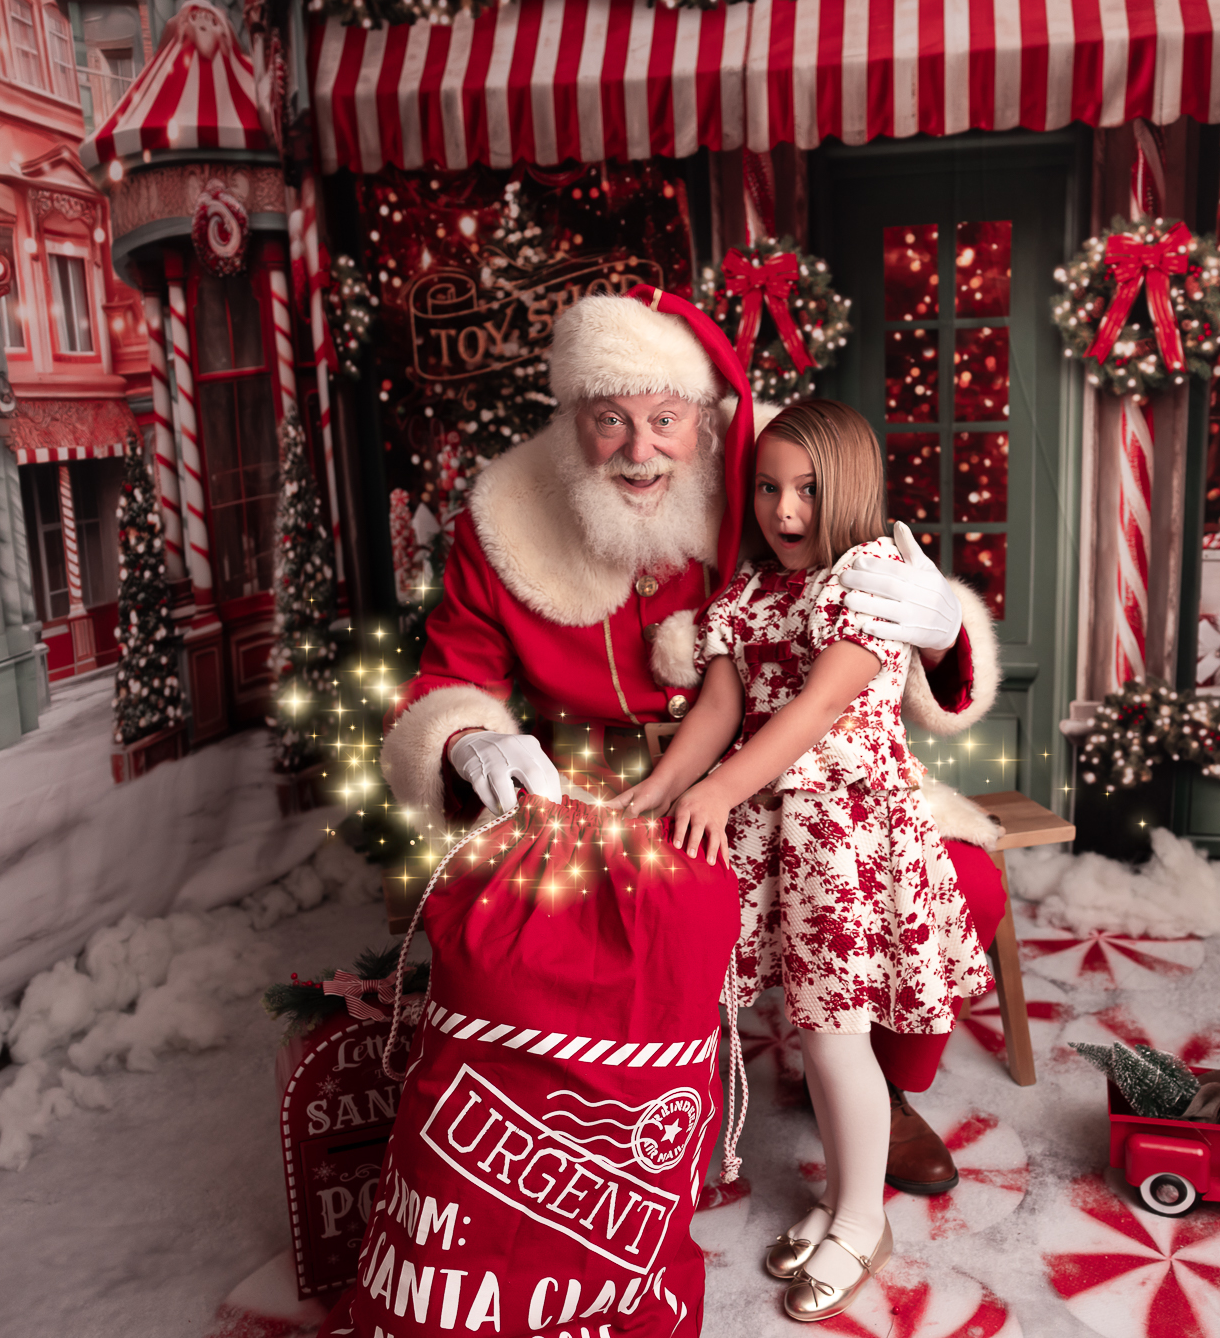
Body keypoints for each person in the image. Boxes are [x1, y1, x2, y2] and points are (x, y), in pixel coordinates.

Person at [378, 287, 1005, 1195]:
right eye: (609, 421)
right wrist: (468, 740)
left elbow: (848, 582)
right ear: (572, 421)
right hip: (594, 776)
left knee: (964, 880)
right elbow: (448, 677)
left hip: (805, 771)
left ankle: (885, 1089)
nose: (639, 451)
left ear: (703, 422)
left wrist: (944, 629)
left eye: (664, 418)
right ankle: (643, 1096)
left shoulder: (755, 484)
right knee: (594, 921)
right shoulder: (501, 523)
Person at [608, 399, 990, 1320]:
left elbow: (817, 709)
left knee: (835, 1033)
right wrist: (652, 792)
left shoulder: (870, 579)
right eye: (769, 488)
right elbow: (716, 714)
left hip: (846, 836)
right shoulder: (746, 597)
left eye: (807, 490)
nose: (784, 511)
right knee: (815, 1036)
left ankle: (862, 1219)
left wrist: (719, 791)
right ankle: (843, 1203)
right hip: (775, 834)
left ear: (848, 488)